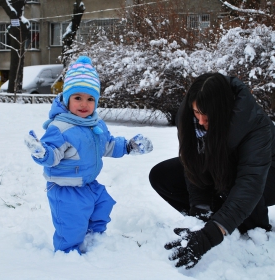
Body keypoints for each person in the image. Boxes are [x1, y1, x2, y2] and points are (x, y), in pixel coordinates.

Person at [24, 56, 153, 254]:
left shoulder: (95, 124)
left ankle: (94, 243)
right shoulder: (61, 127)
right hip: (66, 190)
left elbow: (108, 145)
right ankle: (68, 258)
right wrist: (41, 153)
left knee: (103, 207)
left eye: (90, 98)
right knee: (71, 227)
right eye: (78, 98)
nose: (84, 104)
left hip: (89, 184)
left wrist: (128, 146)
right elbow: (53, 155)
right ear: (67, 99)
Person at [149, 72, 275, 269]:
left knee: (230, 177)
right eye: (196, 112)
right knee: (162, 175)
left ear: (222, 110)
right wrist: (200, 211)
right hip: (225, 171)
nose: (200, 120)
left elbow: (250, 183)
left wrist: (210, 236)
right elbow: (193, 163)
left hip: (266, 178)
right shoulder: (189, 116)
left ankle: (252, 228)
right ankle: (218, 217)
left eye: (206, 114)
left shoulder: (255, 124)